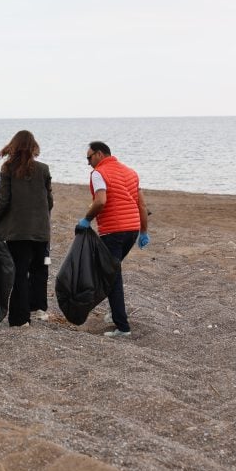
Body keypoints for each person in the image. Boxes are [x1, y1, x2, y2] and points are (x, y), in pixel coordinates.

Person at [76, 141, 149, 338]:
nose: (88, 163)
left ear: (99, 154)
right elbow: (141, 204)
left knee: (113, 277)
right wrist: (143, 231)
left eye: (89, 157)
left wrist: (87, 219)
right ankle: (115, 313)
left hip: (113, 232)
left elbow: (100, 200)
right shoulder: (130, 172)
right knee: (111, 272)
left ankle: (123, 327)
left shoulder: (99, 173)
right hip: (132, 230)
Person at [0, 130, 53, 327]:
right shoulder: (44, 169)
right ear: (33, 147)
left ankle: (20, 319)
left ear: (14, 146)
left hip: (18, 232)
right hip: (41, 231)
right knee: (39, 270)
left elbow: (3, 200)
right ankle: (38, 309)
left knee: (20, 273)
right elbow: (49, 202)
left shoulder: (7, 169)